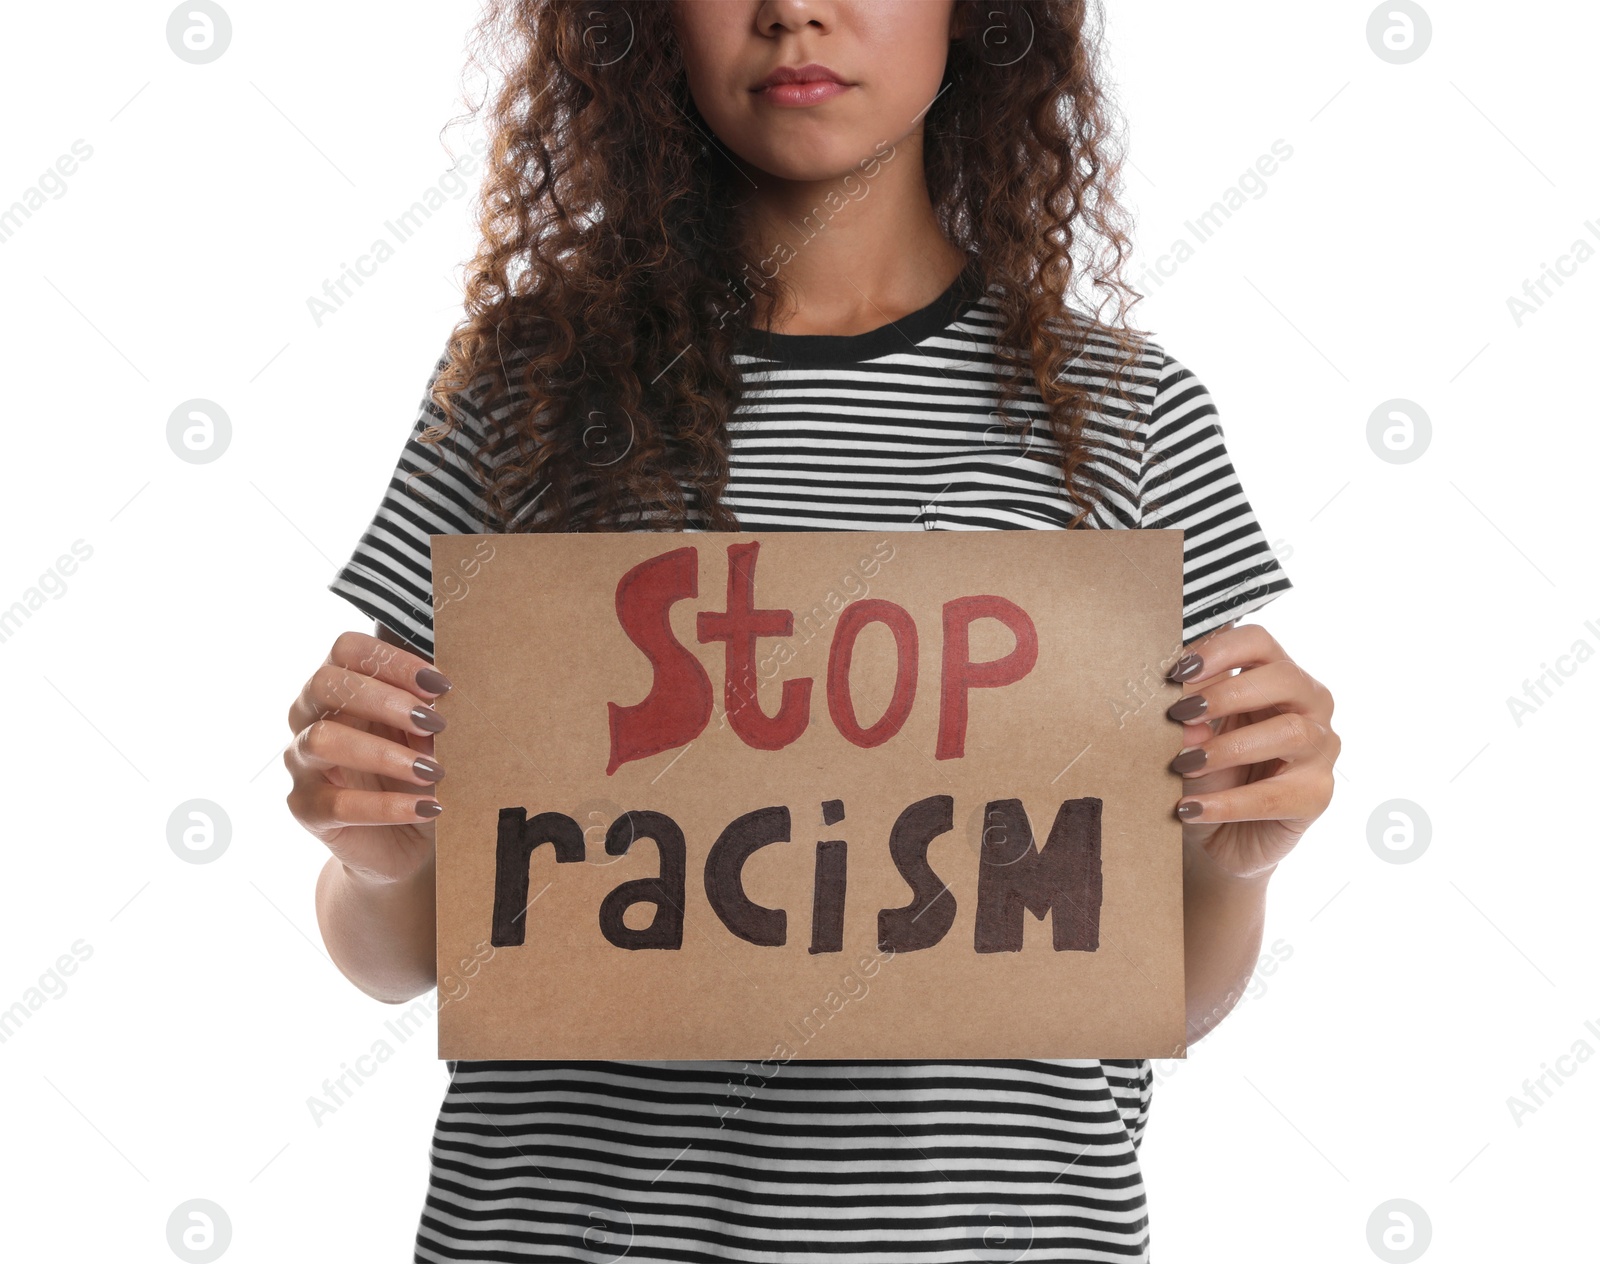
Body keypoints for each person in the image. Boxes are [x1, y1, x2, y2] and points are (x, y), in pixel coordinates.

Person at [284, 2, 1341, 1260]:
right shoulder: (519, 397)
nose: (796, 9)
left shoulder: (1122, 414)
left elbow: (1160, 991)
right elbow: (403, 960)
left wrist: (1240, 859)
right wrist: (377, 859)